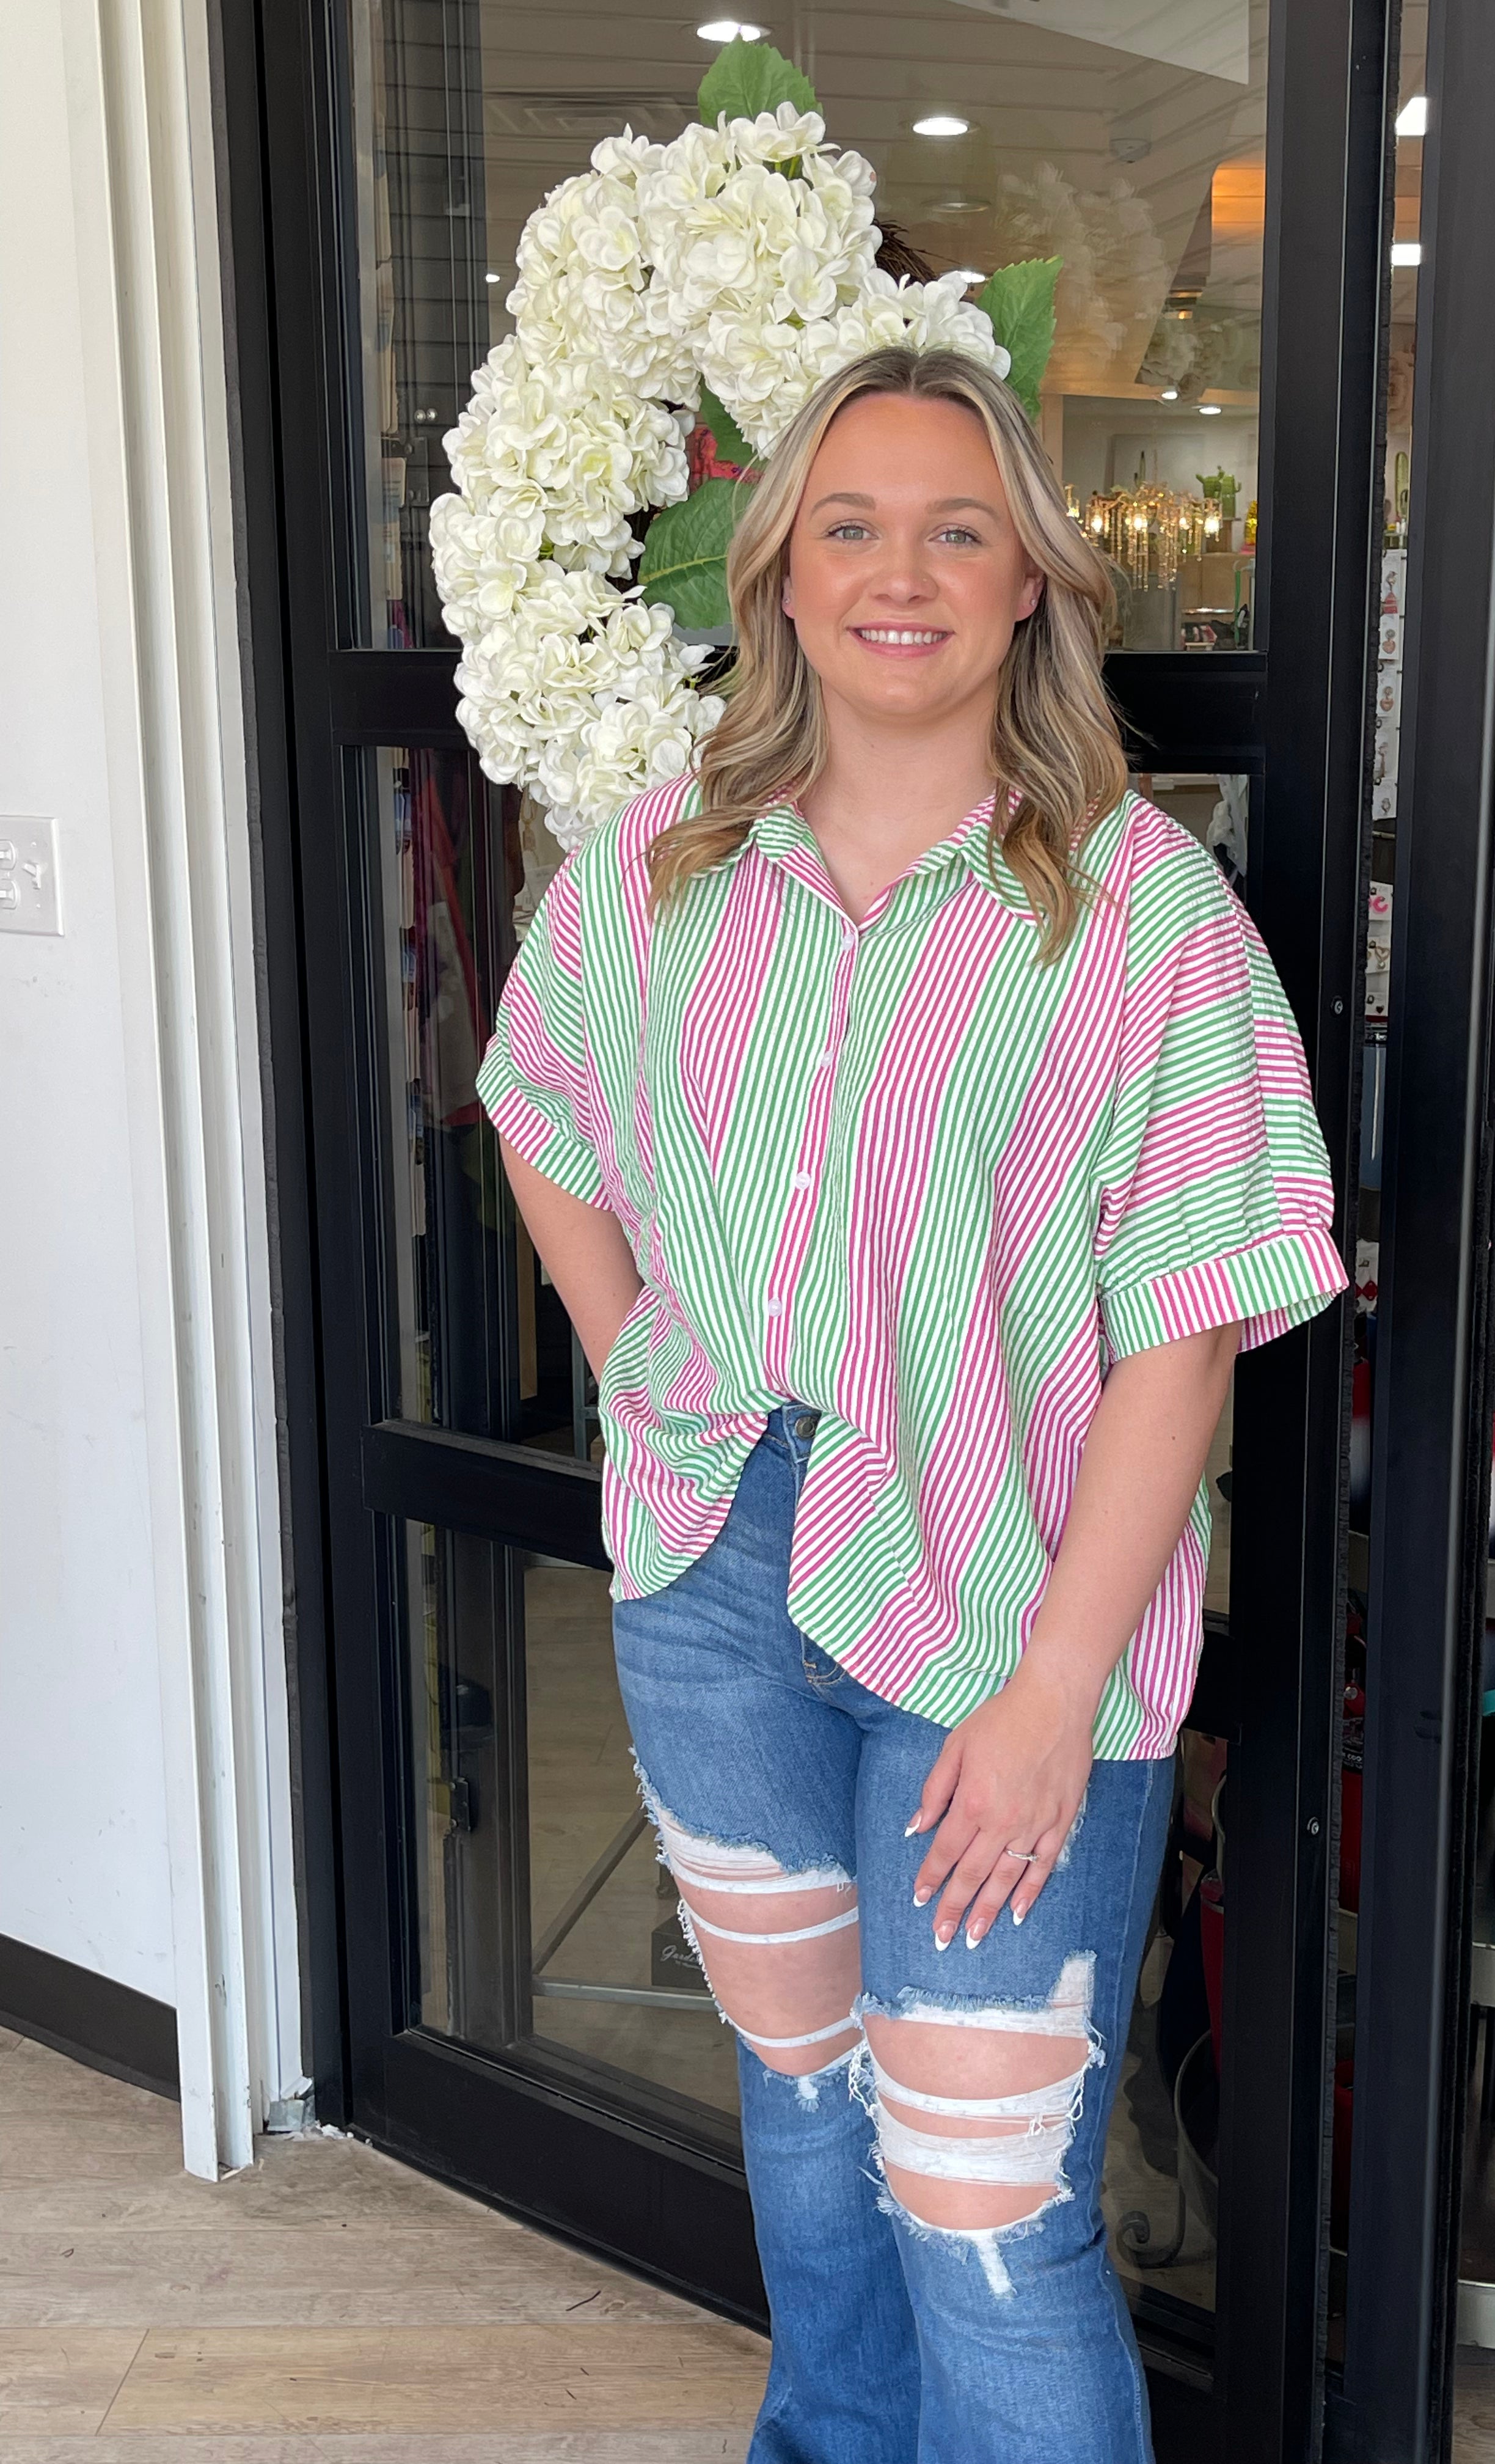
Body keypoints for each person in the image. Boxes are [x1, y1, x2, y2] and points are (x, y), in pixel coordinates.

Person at [477, 345, 1344, 2464]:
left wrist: (1057, 1692)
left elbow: (1193, 1326)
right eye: (848, 526)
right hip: (715, 1580)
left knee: (982, 2196)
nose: (902, 572)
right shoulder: (664, 869)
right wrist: (643, 1374)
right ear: (777, 578)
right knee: (801, 2115)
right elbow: (538, 1106)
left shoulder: (1148, 921)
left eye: (959, 529)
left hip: (1005, 1610)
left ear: (1032, 583)